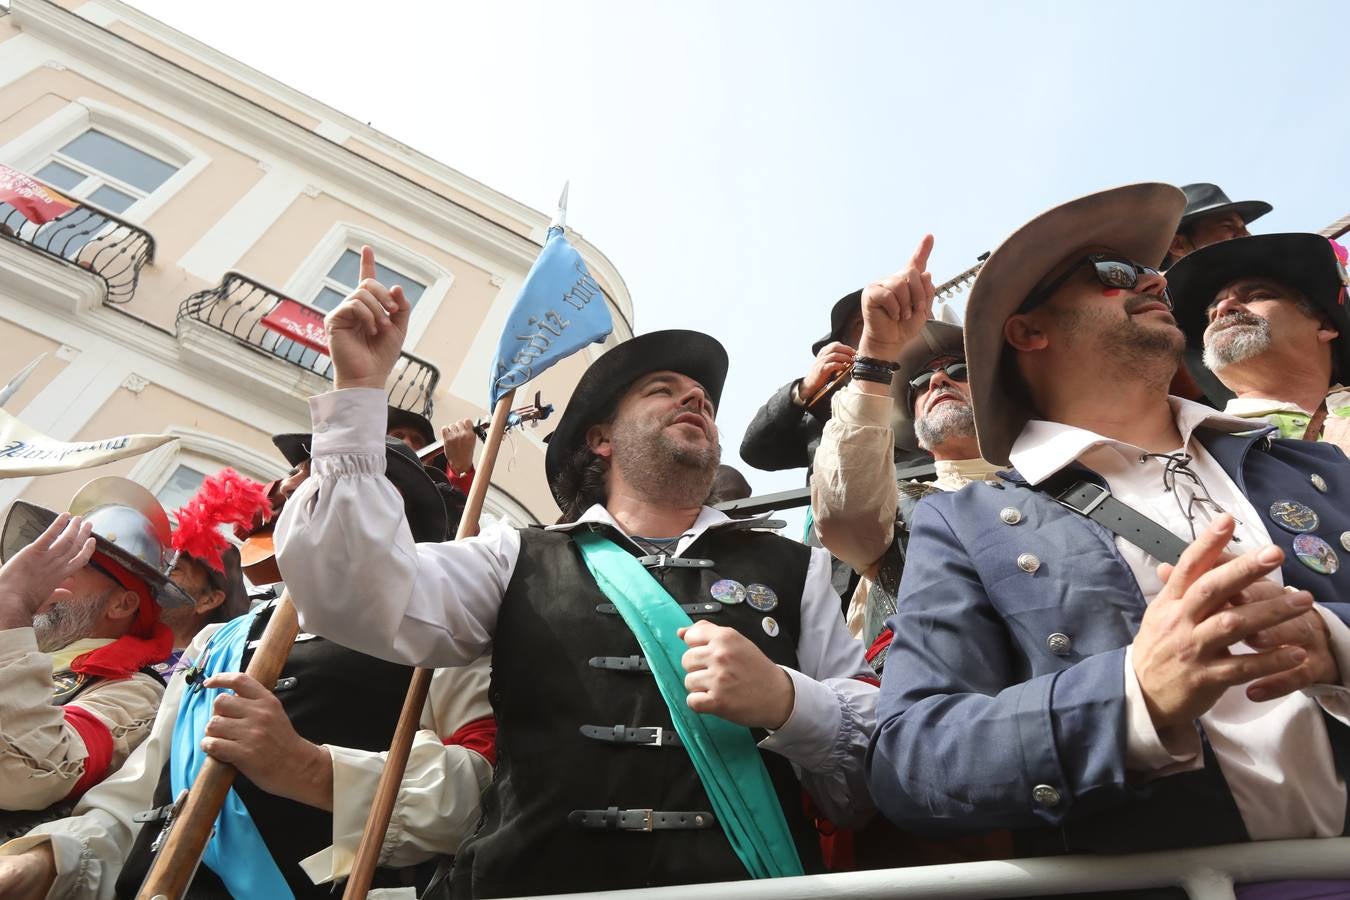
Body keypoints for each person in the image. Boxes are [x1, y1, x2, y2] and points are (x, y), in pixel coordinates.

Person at [271, 249, 876, 896]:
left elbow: (871, 769)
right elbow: (351, 593)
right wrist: (358, 392)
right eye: (661, 390)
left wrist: (788, 702)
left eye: (701, 397)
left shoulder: (799, 570)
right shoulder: (513, 556)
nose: (695, 398)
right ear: (600, 440)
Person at [869, 184, 1350, 895]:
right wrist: (1133, 698)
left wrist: (1336, 646)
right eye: (1112, 273)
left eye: (1147, 269)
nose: (1155, 279)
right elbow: (911, 761)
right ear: (1028, 332)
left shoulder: (1317, 465)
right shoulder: (961, 522)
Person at [0, 435, 494, 900]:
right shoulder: (222, 639)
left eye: (320, 477)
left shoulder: (444, 641)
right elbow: (135, 799)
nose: (290, 488)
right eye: (300, 474)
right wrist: (49, 862)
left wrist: (306, 767)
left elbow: (480, 791)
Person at [813, 305, 999, 670]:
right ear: (913, 425)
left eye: (959, 371)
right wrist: (874, 359)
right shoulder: (894, 511)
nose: (937, 381)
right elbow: (843, 509)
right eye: (918, 383)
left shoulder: (1067, 484)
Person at [0, 479, 183, 834]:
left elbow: (32, 772)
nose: (42, 583)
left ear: (122, 603)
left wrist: (12, 609)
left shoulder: (135, 692)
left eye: (68, 565)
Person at [1166, 233, 1350, 458]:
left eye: (1255, 296)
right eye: (1212, 312)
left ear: (1324, 326)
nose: (1222, 307)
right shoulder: (1189, 448)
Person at [740, 289, 864, 474]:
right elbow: (756, 450)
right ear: (843, 344)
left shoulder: (920, 380)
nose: (876, 328)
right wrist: (805, 388)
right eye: (862, 322)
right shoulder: (823, 408)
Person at [157, 469, 268, 662]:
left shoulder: (210, 670)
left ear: (208, 600)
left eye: (175, 569)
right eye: (162, 562)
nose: (158, 573)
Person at [1164, 183, 1272, 267]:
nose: (1246, 234)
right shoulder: (1152, 293)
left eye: (1244, 228)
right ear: (1178, 245)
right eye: (1227, 226)